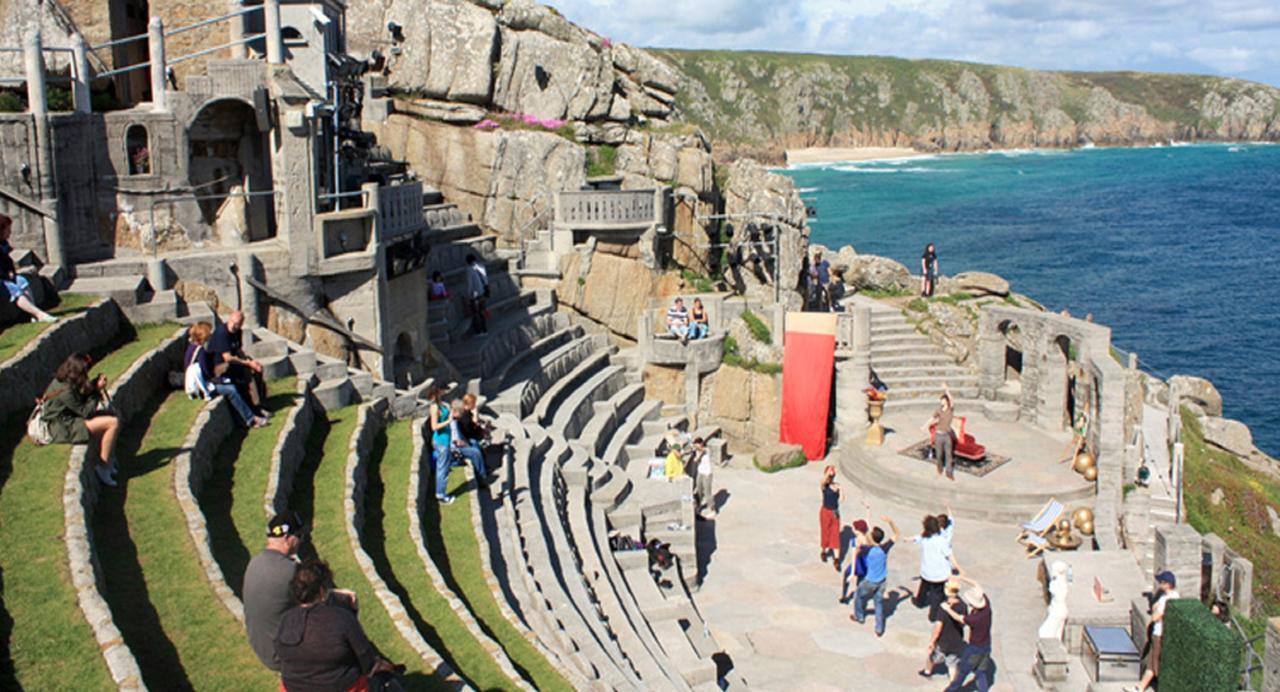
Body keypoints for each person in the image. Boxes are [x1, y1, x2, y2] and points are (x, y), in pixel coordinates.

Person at [276, 559, 398, 692]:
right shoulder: (341, 618)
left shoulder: (286, 619)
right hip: (342, 687)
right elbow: (367, 661)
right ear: (322, 591)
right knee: (386, 679)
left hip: (293, 688)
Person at [41, 353, 121, 486]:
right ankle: (104, 467)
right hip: (60, 427)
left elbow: (80, 400)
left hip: (68, 419)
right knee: (112, 423)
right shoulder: (64, 389)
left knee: (111, 415)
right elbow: (85, 412)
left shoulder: (66, 380)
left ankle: (109, 459)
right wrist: (96, 390)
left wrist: (94, 384)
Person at [244, 512, 307, 672]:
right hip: (282, 655)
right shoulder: (290, 572)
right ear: (287, 538)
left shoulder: (255, 562)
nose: (300, 541)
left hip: (262, 646)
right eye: (299, 536)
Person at [185, 322, 266, 428]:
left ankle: (245, 416)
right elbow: (206, 373)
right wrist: (219, 380)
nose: (210, 336)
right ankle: (250, 419)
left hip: (195, 384)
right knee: (231, 389)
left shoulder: (191, 348)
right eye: (208, 334)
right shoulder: (201, 352)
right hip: (201, 387)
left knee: (231, 384)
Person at [1126, 571, 1179, 692]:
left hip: (1158, 634)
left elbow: (1156, 616)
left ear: (1167, 584)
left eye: (1161, 582)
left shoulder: (1166, 600)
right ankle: (1140, 687)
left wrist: (1152, 616)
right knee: (1151, 663)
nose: (1159, 584)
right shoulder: (1175, 596)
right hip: (1162, 633)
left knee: (1155, 664)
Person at [207, 311, 268, 417]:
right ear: (229, 320)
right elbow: (228, 358)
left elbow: (238, 350)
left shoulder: (238, 332)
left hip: (232, 362)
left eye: (237, 324)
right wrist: (248, 363)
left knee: (257, 369)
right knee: (247, 372)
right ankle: (256, 407)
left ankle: (262, 401)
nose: (234, 326)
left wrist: (251, 361)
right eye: (233, 322)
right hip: (219, 366)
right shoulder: (222, 333)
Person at [941, 575, 994, 692]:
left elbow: (959, 618)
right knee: (981, 673)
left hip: (974, 649)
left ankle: (950, 690)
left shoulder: (975, 619)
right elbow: (976, 583)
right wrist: (961, 578)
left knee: (962, 671)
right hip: (986, 647)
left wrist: (947, 609)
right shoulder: (987, 607)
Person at [0, 214, 55, 323]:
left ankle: (33, 313)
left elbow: (8, 263)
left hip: (5, 276)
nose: (10, 232)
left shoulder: (4, 245)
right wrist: (7, 275)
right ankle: (39, 314)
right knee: (13, 289)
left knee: (22, 281)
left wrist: (11, 273)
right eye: (8, 230)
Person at [851, 515, 900, 637]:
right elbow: (897, 534)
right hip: (882, 581)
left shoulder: (867, 549)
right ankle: (879, 628)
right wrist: (890, 521)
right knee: (878, 604)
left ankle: (859, 616)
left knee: (858, 596)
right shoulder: (885, 548)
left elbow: (856, 549)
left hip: (870, 580)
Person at [912, 514, 961, 611]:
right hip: (940, 574)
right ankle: (934, 613)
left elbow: (918, 538)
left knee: (924, 587)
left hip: (926, 571)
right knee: (937, 594)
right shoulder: (941, 541)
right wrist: (959, 569)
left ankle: (919, 602)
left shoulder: (924, 539)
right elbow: (950, 556)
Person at [923, 579, 968, 681]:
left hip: (943, 641)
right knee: (952, 665)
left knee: (932, 657)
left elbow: (938, 628)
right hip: (956, 641)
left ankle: (927, 671)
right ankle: (952, 686)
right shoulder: (963, 605)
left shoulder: (944, 607)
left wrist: (932, 641)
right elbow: (963, 622)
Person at [426, 385, 456, 504]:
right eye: (442, 390)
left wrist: (450, 414)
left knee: (443, 467)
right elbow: (434, 427)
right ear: (437, 391)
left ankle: (441, 492)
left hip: (446, 440)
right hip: (441, 441)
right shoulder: (434, 407)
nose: (444, 392)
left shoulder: (441, 404)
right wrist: (448, 421)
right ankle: (441, 494)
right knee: (442, 468)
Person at [448, 400, 488, 484]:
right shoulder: (452, 423)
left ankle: (483, 469)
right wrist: (467, 444)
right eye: (461, 412)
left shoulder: (456, 420)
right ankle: (482, 478)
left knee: (475, 443)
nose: (463, 414)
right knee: (475, 452)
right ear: (455, 412)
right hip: (455, 448)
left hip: (461, 442)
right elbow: (457, 442)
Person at [924, 392, 958, 480]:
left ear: (947, 401)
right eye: (940, 401)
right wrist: (925, 425)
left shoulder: (950, 409)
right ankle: (939, 468)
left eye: (943, 400)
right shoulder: (938, 410)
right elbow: (932, 419)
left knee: (949, 454)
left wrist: (946, 389)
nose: (941, 402)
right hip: (938, 435)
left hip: (947, 435)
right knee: (939, 454)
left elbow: (952, 399)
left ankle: (949, 473)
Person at [819, 465, 843, 566]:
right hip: (825, 511)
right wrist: (828, 473)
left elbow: (842, 499)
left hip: (835, 512)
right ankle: (824, 551)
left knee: (835, 534)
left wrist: (841, 490)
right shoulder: (824, 485)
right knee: (826, 532)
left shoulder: (837, 486)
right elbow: (823, 481)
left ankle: (836, 559)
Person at [690, 437, 716, 520]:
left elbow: (701, 452)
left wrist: (696, 448)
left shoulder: (706, 450)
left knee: (707, 491)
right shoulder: (696, 451)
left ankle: (712, 510)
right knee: (699, 490)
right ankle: (698, 506)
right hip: (700, 472)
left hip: (707, 473)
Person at [465, 254, 488, 335]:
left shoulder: (469, 270)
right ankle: (485, 330)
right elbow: (485, 280)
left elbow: (470, 284)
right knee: (482, 312)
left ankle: (479, 331)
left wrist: (468, 296)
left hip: (475, 295)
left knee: (476, 313)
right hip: (482, 293)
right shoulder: (481, 266)